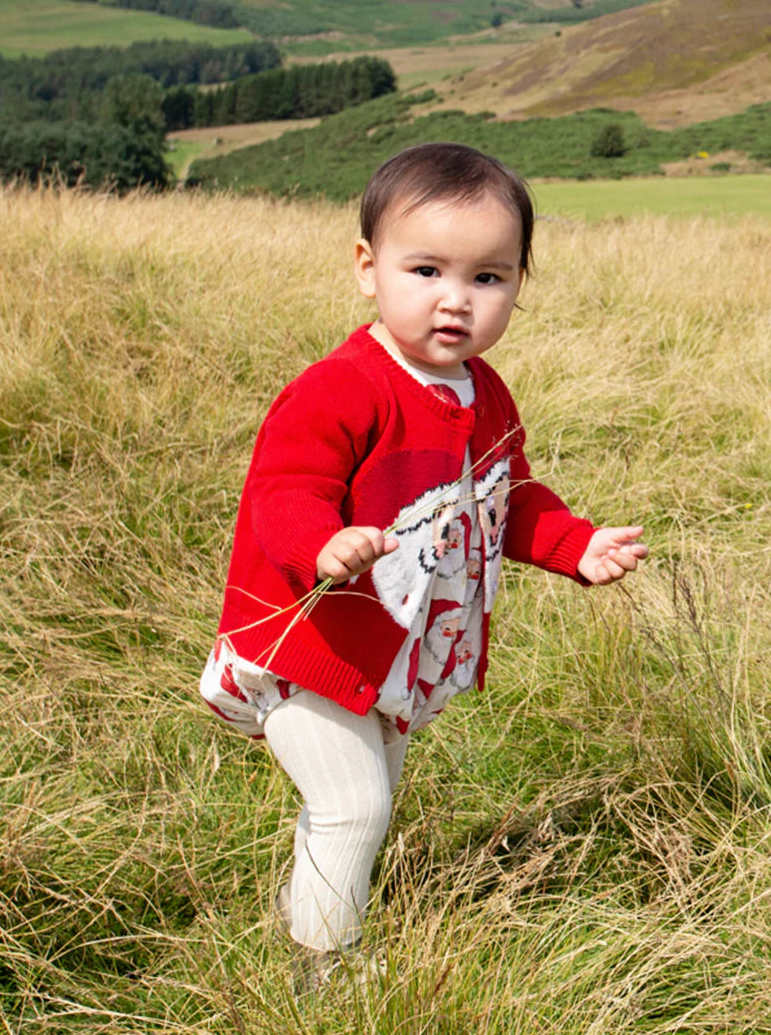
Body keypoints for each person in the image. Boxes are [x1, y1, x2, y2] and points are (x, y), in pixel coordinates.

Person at [200, 142, 647, 986]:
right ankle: (321, 968)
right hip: (308, 640)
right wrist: (321, 545)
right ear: (368, 269)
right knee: (354, 803)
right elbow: (284, 491)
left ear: (519, 282)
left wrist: (574, 545)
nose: (456, 300)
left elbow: (508, 497)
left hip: (392, 651)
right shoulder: (342, 387)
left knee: (361, 802)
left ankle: (313, 911)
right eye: (426, 270)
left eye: (489, 278)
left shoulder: (487, 392)